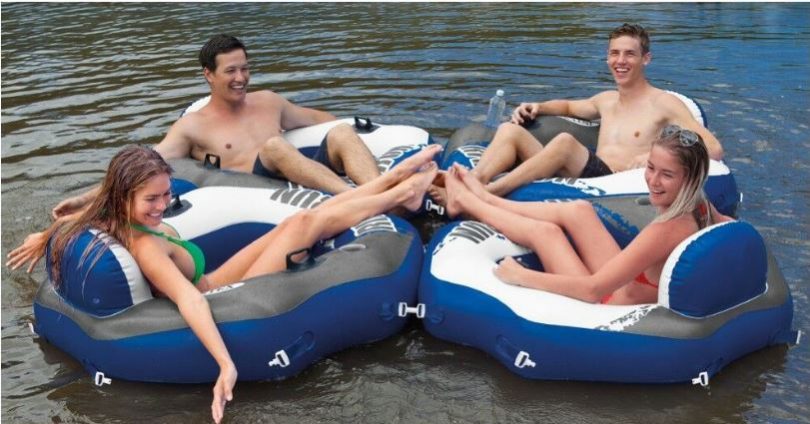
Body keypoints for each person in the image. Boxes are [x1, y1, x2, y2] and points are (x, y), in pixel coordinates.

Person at [7, 143, 442, 423]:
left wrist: (41, 238)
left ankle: (391, 181)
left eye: (165, 194)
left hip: (213, 276)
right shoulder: (147, 248)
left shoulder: (109, 215)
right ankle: (397, 194)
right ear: (124, 197)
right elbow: (191, 301)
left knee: (297, 221)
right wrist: (225, 364)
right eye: (151, 199)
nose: (162, 205)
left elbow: (72, 219)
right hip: (223, 294)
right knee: (304, 225)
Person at [51, 34, 380, 219]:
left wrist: (367, 134)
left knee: (341, 133)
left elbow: (321, 121)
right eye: (231, 71)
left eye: (245, 69)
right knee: (275, 146)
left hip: (299, 169)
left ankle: (381, 190)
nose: (241, 78)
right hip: (258, 188)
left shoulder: (269, 101)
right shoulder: (192, 127)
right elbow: (143, 165)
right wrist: (83, 200)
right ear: (208, 75)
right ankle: (360, 198)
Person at [430, 23, 724, 203]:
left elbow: (713, 147)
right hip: (583, 176)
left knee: (565, 143)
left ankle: (487, 194)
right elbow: (570, 107)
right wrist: (538, 107)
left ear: (645, 59)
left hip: (613, 184)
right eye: (614, 53)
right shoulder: (607, 100)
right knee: (509, 130)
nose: (620, 61)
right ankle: (473, 180)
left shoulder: (663, 103)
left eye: (629, 54)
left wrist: (652, 157)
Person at [443, 125, 731, 305]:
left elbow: (592, 291)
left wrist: (521, 276)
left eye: (667, 175)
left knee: (546, 233)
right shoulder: (703, 205)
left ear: (690, 178)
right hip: (628, 284)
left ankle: (467, 202)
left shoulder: (667, 228)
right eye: (651, 167)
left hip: (609, 302)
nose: (652, 181)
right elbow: (734, 230)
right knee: (579, 209)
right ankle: (486, 197)